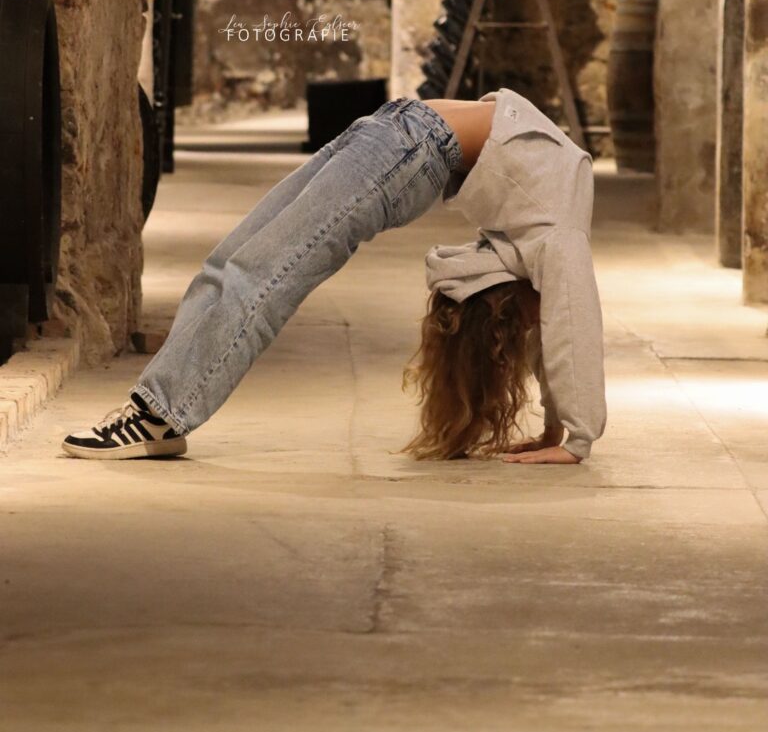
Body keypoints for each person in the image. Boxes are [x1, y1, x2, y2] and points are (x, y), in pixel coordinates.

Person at [62, 90, 606, 465]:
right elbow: (568, 322)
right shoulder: (555, 237)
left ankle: (160, 414)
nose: (532, 331)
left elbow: (562, 326)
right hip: (393, 134)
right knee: (231, 261)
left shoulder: (549, 232)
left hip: (407, 149)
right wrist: (567, 430)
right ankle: (163, 411)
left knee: (265, 274)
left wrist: (571, 434)